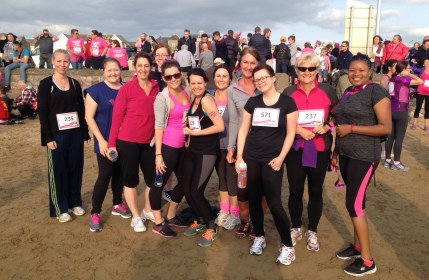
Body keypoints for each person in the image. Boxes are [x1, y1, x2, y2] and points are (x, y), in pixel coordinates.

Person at [332, 53, 392, 277]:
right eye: (352, 70)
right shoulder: (348, 92)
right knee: (358, 201)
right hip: (347, 154)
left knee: (354, 205)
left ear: (370, 72)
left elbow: (385, 127)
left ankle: (367, 260)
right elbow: (339, 121)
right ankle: (357, 247)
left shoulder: (376, 91)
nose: (356, 74)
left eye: (361, 70)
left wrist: (352, 129)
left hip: (365, 156)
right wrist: (337, 151)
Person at [235, 64, 298, 264]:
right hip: (251, 157)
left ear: (273, 78)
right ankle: (259, 236)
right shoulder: (252, 102)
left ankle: (288, 246)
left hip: (273, 160)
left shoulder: (288, 103)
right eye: (257, 80)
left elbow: (290, 133)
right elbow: (243, 130)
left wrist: (281, 158)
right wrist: (239, 156)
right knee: (254, 199)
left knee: (274, 203)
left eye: (263, 78)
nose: (260, 82)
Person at [282, 53, 338, 253]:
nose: (307, 73)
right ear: (296, 70)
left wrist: (327, 128)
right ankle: (296, 227)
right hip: (296, 149)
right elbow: (281, 120)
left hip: (320, 148)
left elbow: (336, 116)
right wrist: (297, 130)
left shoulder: (328, 91)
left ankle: (312, 230)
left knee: (315, 191)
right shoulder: (288, 92)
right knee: (295, 190)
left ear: (317, 70)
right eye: (302, 69)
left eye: (311, 69)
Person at [107, 52, 159, 232]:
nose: (143, 69)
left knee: (152, 180)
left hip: (149, 142)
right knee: (130, 180)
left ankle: (146, 210)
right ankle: (136, 217)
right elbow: (117, 118)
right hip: (127, 141)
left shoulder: (157, 88)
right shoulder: (126, 89)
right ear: (135, 67)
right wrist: (111, 144)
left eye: (146, 66)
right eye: (140, 66)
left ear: (150, 67)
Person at [37, 49, 91, 223]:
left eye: (66, 61)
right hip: (57, 137)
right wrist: (48, 137)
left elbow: (81, 110)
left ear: (70, 63)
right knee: (58, 172)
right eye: (59, 61)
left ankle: (75, 202)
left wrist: (85, 133)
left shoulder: (75, 84)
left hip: (75, 134)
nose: (62, 65)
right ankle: (60, 207)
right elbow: (43, 113)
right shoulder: (46, 84)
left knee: (75, 169)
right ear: (53, 61)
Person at [84, 58, 131, 232]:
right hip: (104, 141)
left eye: (116, 70)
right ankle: (95, 212)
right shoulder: (95, 91)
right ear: (103, 71)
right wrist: (101, 140)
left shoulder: (126, 89)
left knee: (121, 174)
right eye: (109, 70)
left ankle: (117, 203)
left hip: (124, 140)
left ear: (121, 70)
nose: (113, 73)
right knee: (105, 175)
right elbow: (89, 117)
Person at [181, 68, 224, 247]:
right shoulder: (194, 99)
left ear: (206, 83)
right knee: (186, 188)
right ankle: (199, 220)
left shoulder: (206, 99)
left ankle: (211, 227)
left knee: (196, 191)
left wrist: (194, 134)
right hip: (193, 150)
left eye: (199, 83)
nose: (196, 86)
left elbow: (219, 126)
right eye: (193, 83)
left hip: (207, 151)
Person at [149, 60, 191, 237]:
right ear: (164, 78)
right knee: (158, 184)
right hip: (167, 147)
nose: (174, 79)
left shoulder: (186, 91)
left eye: (176, 74)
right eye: (169, 76)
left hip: (184, 146)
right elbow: (158, 126)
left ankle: (172, 215)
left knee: (186, 181)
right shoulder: (162, 97)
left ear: (181, 73)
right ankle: (158, 222)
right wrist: (158, 154)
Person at [227, 47, 261, 238]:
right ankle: (245, 219)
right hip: (243, 147)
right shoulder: (233, 90)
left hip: (264, 146)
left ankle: (258, 221)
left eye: (253, 63)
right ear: (240, 63)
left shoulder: (264, 86)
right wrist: (231, 147)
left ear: (258, 65)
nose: (249, 67)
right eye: (246, 62)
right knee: (242, 188)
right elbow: (233, 121)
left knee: (262, 188)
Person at [210, 65, 241, 230]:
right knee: (221, 177)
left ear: (230, 78)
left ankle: (235, 214)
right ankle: (224, 210)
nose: (221, 79)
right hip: (214, 146)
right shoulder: (209, 97)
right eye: (218, 76)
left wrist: (235, 146)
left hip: (231, 145)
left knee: (231, 179)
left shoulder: (235, 96)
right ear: (213, 78)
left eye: (224, 76)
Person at [384, 60, 423, 171]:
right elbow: (420, 81)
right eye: (409, 68)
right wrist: (409, 74)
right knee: (399, 138)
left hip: (391, 110)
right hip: (401, 111)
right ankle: (396, 162)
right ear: (404, 69)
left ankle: (387, 160)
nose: (410, 69)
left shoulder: (393, 78)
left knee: (390, 137)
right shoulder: (404, 80)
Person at [411, 58, 429, 131]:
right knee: (418, 107)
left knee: (427, 109)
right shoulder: (421, 70)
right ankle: (414, 123)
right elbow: (414, 69)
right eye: (426, 62)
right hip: (420, 92)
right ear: (423, 64)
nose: (427, 63)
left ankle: (426, 125)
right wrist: (414, 63)